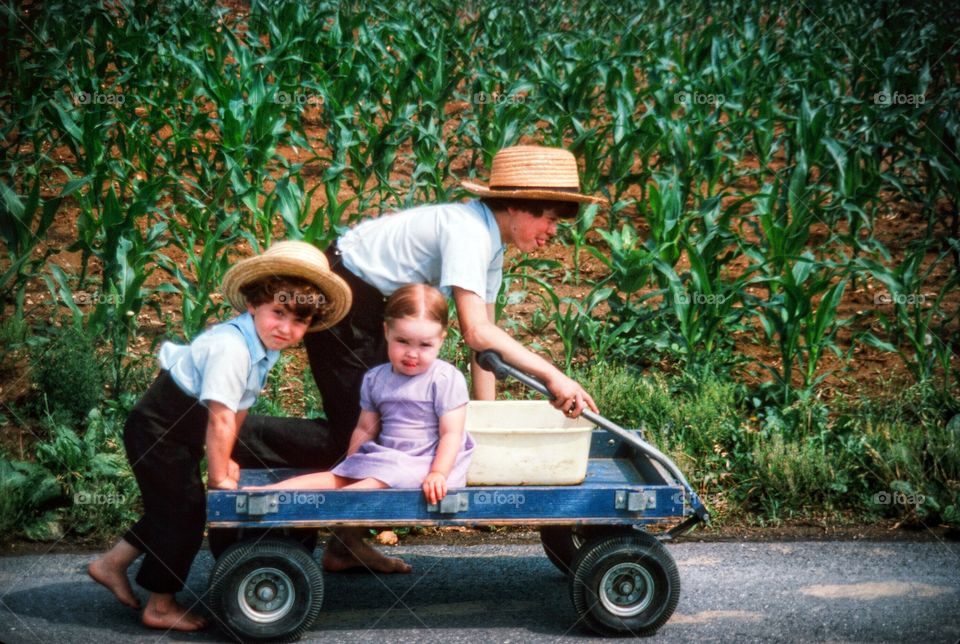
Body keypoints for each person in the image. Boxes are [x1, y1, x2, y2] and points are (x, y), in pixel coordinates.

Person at [235, 144, 605, 573]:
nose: (552, 231)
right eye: (548, 218)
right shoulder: (469, 232)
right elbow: (477, 331)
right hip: (347, 295)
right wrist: (556, 377)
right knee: (358, 436)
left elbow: (481, 345)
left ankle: (344, 545)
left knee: (375, 432)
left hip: (376, 304)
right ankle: (244, 435)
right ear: (517, 206)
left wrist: (480, 423)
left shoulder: (490, 242)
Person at [87, 241, 351, 632]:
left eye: (299, 322)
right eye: (278, 313)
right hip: (158, 432)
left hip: (184, 428)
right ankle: (159, 605)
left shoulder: (262, 343)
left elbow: (240, 408)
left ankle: (112, 563)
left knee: (172, 503)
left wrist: (227, 457)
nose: (286, 329)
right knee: (185, 510)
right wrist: (220, 477)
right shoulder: (230, 348)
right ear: (253, 305)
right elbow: (220, 421)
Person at [249, 284, 474, 507]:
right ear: (387, 332)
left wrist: (438, 473)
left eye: (425, 345)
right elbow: (365, 428)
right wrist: (353, 462)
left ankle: (337, 504)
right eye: (402, 341)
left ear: (441, 339)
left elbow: (451, 435)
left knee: (385, 475)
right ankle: (271, 492)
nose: (412, 353)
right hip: (387, 457)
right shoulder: (376, 378)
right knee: (338, 476)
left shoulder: (444, 378)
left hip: (427, 462)